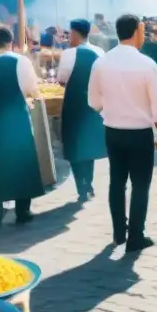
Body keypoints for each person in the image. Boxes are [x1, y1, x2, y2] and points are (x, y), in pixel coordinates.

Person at [88, 14, 157, 252]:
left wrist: (113, 109)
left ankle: (118, 233)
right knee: (140, 185)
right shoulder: (147, 64)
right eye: (142, 30)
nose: (143, 35)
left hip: (113, 132)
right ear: (135, 32)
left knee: (117, 183)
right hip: (140, 134)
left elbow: (93, 101)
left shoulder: (101, 62)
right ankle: (135, 236)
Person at [0, 26, 44, 223]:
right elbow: (31, 87)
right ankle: (23, 210)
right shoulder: (22, 61)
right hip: (17, 115)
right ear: (12, 41)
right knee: (23, 158)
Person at [59, 19, 107, 203]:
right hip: (94, 104)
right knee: (89, 143)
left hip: (74, 103)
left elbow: (62, 78)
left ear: (75, 33)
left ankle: (81, 186)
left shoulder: (69, 54)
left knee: (73, 143)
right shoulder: (99, 52)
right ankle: (89, 182)